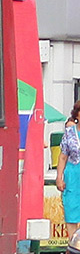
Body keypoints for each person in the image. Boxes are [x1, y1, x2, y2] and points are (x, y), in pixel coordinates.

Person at [58, 101, 80, 239]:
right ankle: (73, 245)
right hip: (73, 174)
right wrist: (59, 177)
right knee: (71, 208)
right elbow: (62, 157)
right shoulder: (69, 133)